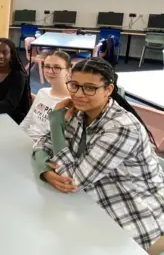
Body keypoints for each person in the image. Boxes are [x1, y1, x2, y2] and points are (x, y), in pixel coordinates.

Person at [32, 57, 164, 254]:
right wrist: (45, 169)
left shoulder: (122, 128)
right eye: (74, 85)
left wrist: (56, 121)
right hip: (94, 195)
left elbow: (73, 180)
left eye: (90, 88)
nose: (78, 94)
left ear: (108, 90)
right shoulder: (80, 112)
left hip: (135, 212)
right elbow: (44, 143)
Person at [20, 51, 71, 141]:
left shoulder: (70, 103)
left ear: (68, 71)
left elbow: (53, 136)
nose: (50, 71)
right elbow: (28, 120)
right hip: (24, 138)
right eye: (47, 66)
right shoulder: (42, 92)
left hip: (42, 147)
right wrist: (17, 133)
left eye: (57, 67)